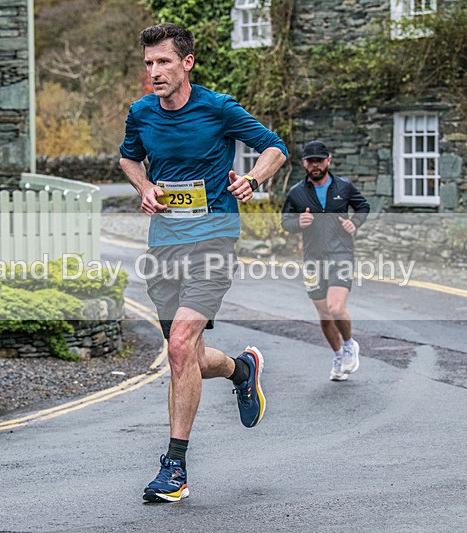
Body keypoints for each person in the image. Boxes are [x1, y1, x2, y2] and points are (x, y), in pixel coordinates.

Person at [119, 22, 288, 503]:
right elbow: (129, 159)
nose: (155, 71)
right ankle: (241, 370)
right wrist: (145, 187)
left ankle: (174, 468)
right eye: (149, 63)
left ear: (187, 63)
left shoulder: (218, 108)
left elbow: (275, 148)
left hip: (213, 240)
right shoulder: (141, 113)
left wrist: (251, 179)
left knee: (179, 345)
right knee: (187, 357)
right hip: (164, 246)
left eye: (164, 61)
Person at [281, 140, 370, 382]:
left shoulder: (344, 186)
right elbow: (286, 221)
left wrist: (355, 223)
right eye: (311, 161)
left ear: (328, 160)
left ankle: (349, 345)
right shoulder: (297, 192)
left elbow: (363, 207)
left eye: (319, 160)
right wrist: (298, 223)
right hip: (313, 260)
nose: (316, 165)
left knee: (336, 308)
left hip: (341, 255)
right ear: (304, 163)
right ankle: (339, 355)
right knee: (324, 315)